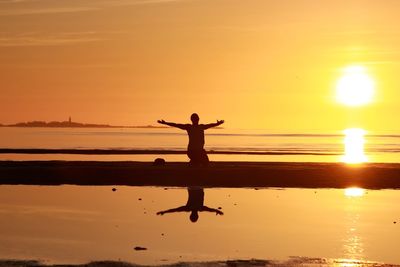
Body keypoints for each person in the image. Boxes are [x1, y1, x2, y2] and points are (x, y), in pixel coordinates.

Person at [157, 113, 224, 165]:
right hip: (192, 151)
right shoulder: (189, 127)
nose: (196, 120)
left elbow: (210, 125)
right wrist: (165, 123)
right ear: (193, 120)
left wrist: (218, 123)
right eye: (195, 119)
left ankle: (194, 162)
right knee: (199, 163)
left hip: (200, 151)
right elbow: (176, 125)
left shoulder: (201, 127)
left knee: (205, 163)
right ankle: (194, 162)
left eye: (197, 119)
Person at [157, 187, 223, 223]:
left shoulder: (195, 208)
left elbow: (176, 210)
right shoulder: (195, 208)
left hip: (195, 188)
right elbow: (176, 210)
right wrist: (164, 212)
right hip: (196, 188)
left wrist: (164, 212)